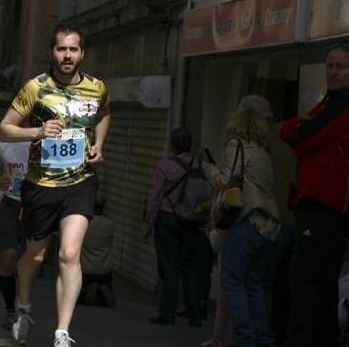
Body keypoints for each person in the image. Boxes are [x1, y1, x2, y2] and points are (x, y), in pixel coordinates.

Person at [0, 22, 110, 347]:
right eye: (61, 49)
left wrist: (99, 144)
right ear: (52, 52)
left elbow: (104, 114)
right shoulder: (35, 88)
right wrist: (37, 132)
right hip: (41, 184)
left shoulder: (97, 87)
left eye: (73, 49)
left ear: (82, 54)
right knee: (34, 256)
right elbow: (4, 130)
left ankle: (62, 331)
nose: (67, 55)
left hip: (80, 182)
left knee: (70, 253)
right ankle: (23, 307)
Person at [280, 43, 349, 347]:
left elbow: (301, 135)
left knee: (307, 290)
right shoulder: (328, 104)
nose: (333, 72)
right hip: (318, 207)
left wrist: (300, 130)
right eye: (330, 66)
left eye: (341, 67)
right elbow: (291, 131)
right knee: (318, 291)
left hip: (325, 208)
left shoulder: (342, 108)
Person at [203, 95, 281, 347]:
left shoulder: (236, 145)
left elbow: (225, 181)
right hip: (269, 222)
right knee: (253, 282)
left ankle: (245, 338)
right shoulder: (263, 152)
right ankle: (260, 337)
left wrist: (208, 169)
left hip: (247, 219)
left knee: (231, 279)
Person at [143, 126, 202, 326]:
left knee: (169, 268)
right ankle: (195, 315)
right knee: (189, 267)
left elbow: (155, 195)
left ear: (172, 145)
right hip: (191, 222)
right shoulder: (199, 164)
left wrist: (149, 222)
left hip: (167, 219)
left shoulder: (165, 166)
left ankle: (167, 314)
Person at [0, 138, 30, 327]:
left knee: (31, 261)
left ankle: (24, 307)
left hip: (37, 205)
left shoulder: (47, 138)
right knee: (7, 259)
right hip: (10, 204)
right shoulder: (3, 141)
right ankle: (11, 309)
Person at [80, 197, 116, 307]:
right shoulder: (110, 224)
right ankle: (102, 288)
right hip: (105, 267)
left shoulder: (85, 223)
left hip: (86, 268)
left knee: (79, 297)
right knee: (103, 282)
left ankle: (89, 290)